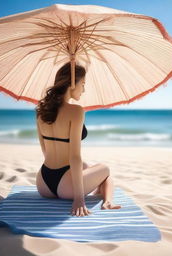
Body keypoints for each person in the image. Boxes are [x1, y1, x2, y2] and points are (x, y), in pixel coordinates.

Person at [35, 61, 121, 217]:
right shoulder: (76, 111)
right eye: (83, 83)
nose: (84, 89)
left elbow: (45, 150)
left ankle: (101, 193)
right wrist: (79, 199)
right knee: (105, 169)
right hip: (66, 188)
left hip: (43, 183)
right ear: (72, 84)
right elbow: (74, 156)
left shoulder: (41, 110)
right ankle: (107, 201)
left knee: (86, 165)